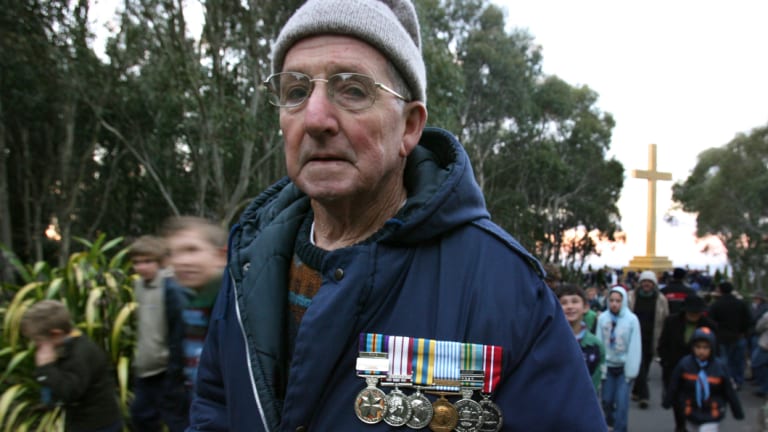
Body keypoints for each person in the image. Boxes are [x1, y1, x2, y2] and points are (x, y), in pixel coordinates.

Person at [188, 0, 607, 430]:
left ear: (409, 126)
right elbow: (215, 406)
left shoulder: (505, 287)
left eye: (351, 89)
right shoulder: (248, 262)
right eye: (296, 91)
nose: (315, 117)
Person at [20, 300, 123, 432]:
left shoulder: (81, 353)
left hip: (98, 425)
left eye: (38, 340)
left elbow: (70, 392)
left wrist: (46, 368)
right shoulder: (69, 346)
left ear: (56, 334)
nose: (36, 345)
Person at [127, 235, 190, 432]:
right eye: (137, 262)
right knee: (140, 417)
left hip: (166, 372)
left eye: (148, 261)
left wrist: (174, 374)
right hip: (146, 370)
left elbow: (179, 334)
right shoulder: (138, 286)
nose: (141, 267)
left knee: (175, 421)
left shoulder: (171, 289)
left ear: (161, 262)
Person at [162, 216, 227, 393]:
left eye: (192, 250)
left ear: (221, 256)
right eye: (172, 253)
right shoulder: (193, 303)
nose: (181, 261)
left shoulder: (235, 307)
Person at [663, 326, 744, 431]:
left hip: (713, 411)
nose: (701, 351)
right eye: (698, 347)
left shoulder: (719, 367)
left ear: (712, 348)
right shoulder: (685, 364)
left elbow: (729, 391)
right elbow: (674, 384)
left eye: (705, 348)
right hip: (691, 410)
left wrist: (737, 411)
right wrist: (668, 401)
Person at [658, 294, 719, 432]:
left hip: (700, 371)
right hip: (675, 369)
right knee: (677, 403)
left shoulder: (710, 325)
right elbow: (663, 344)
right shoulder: (672, 322)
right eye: (691, 312)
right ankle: (680, 426)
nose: (694, 315)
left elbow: (716, 350)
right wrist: (665, 361)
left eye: (697, 313)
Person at [596, 285, 642, 432]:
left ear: (624, 302)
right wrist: (600, 367)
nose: (614, 304)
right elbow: (599, 342)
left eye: (618, 300)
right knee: (606, 401)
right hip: (608, 367)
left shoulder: (632, 320)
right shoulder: (603, 318)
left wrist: (631, 371)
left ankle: (620, 428)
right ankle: (612, 421)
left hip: (624, 368)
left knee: (622, 404)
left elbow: (635, 346)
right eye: (612, 300)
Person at [627, 270, 669, 409]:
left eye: (649, 282)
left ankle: (636, 391)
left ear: (654, 284)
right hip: (634, 336)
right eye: (644, 281)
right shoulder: (631, 297)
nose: (646, 284)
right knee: (640, 365)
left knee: (645, 364)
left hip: (652, 337)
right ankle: (644, 396)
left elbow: (665, 318)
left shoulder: (661, 299)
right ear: (640, 283)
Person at [557, 284, 605, 394]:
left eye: (574, 301)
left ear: (586, 307)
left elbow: (596, 380)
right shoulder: (549, 343)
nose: (569, 306)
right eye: (564, 303)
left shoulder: (595, 345)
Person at [708, 281, 752, 390]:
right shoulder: (741, 303)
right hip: (738, 336)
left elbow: (710, 321)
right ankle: (738, 381)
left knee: (724, 361)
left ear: (720, 291)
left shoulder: (716, 305)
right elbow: (748, 320)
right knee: (739, 361)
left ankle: (726, 381)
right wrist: (743, 331)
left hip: (722, 337)